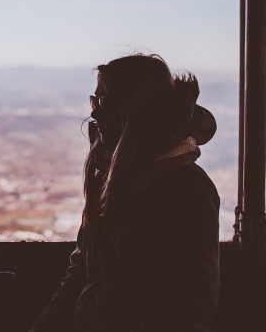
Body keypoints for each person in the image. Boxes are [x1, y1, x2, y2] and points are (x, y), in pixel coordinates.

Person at [29, 54, 220, 332]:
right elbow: (84, 267)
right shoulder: (108, 177)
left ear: (134, 108)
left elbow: (189, 307)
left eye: (104, 101)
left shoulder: (188, 189)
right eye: (94, 100)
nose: (94, 113)